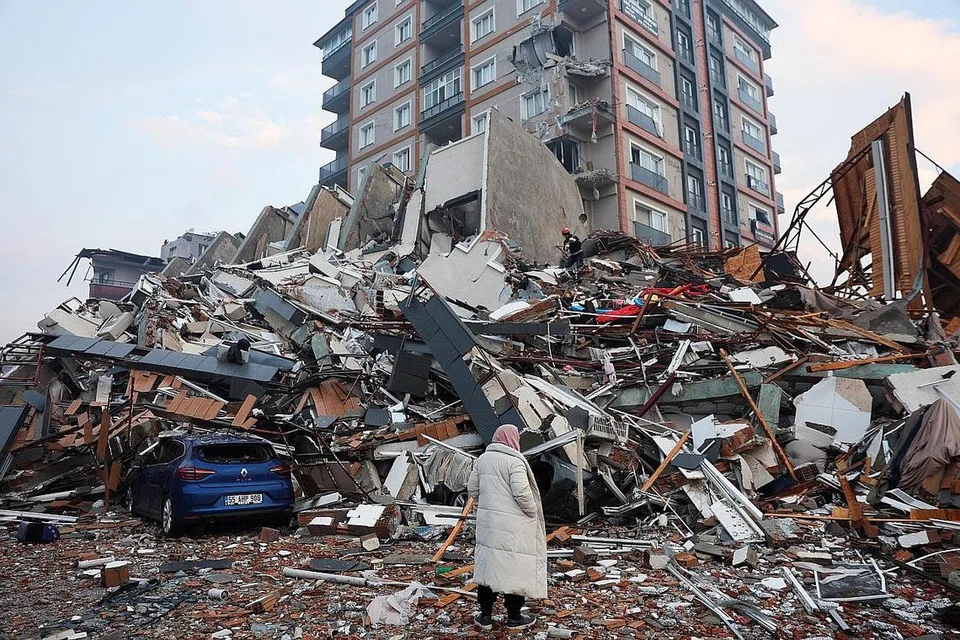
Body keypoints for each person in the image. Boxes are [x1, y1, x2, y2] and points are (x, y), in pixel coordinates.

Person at [467, 424, 547, 631]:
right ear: (512, 439)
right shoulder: (514, 461)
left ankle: (485, 616)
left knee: (488, 568)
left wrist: (488, 505)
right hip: (513, 526)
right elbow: (522, 493)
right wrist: (532, 512)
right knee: (514, 569)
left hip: (489, 525)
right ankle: (514, 617)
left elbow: (472, 489)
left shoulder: (483, 459)